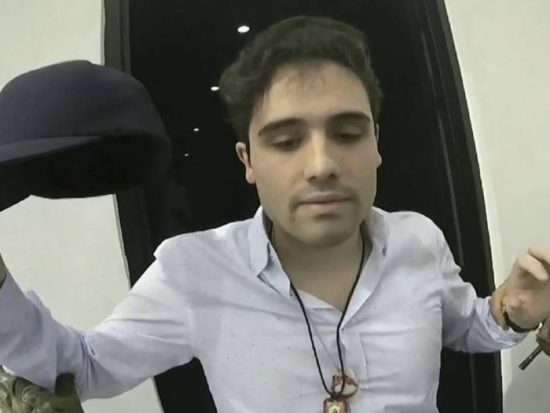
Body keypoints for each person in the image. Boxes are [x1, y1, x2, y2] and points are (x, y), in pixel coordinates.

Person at [0, 16, 549, 413]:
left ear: (376, 144)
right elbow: (80, 367)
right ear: (248, 161)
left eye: (347, 133)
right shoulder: (195, 271)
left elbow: (463, 324)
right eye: (286, 141)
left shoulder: (419, 241)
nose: (322, 165)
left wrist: (513, 311)